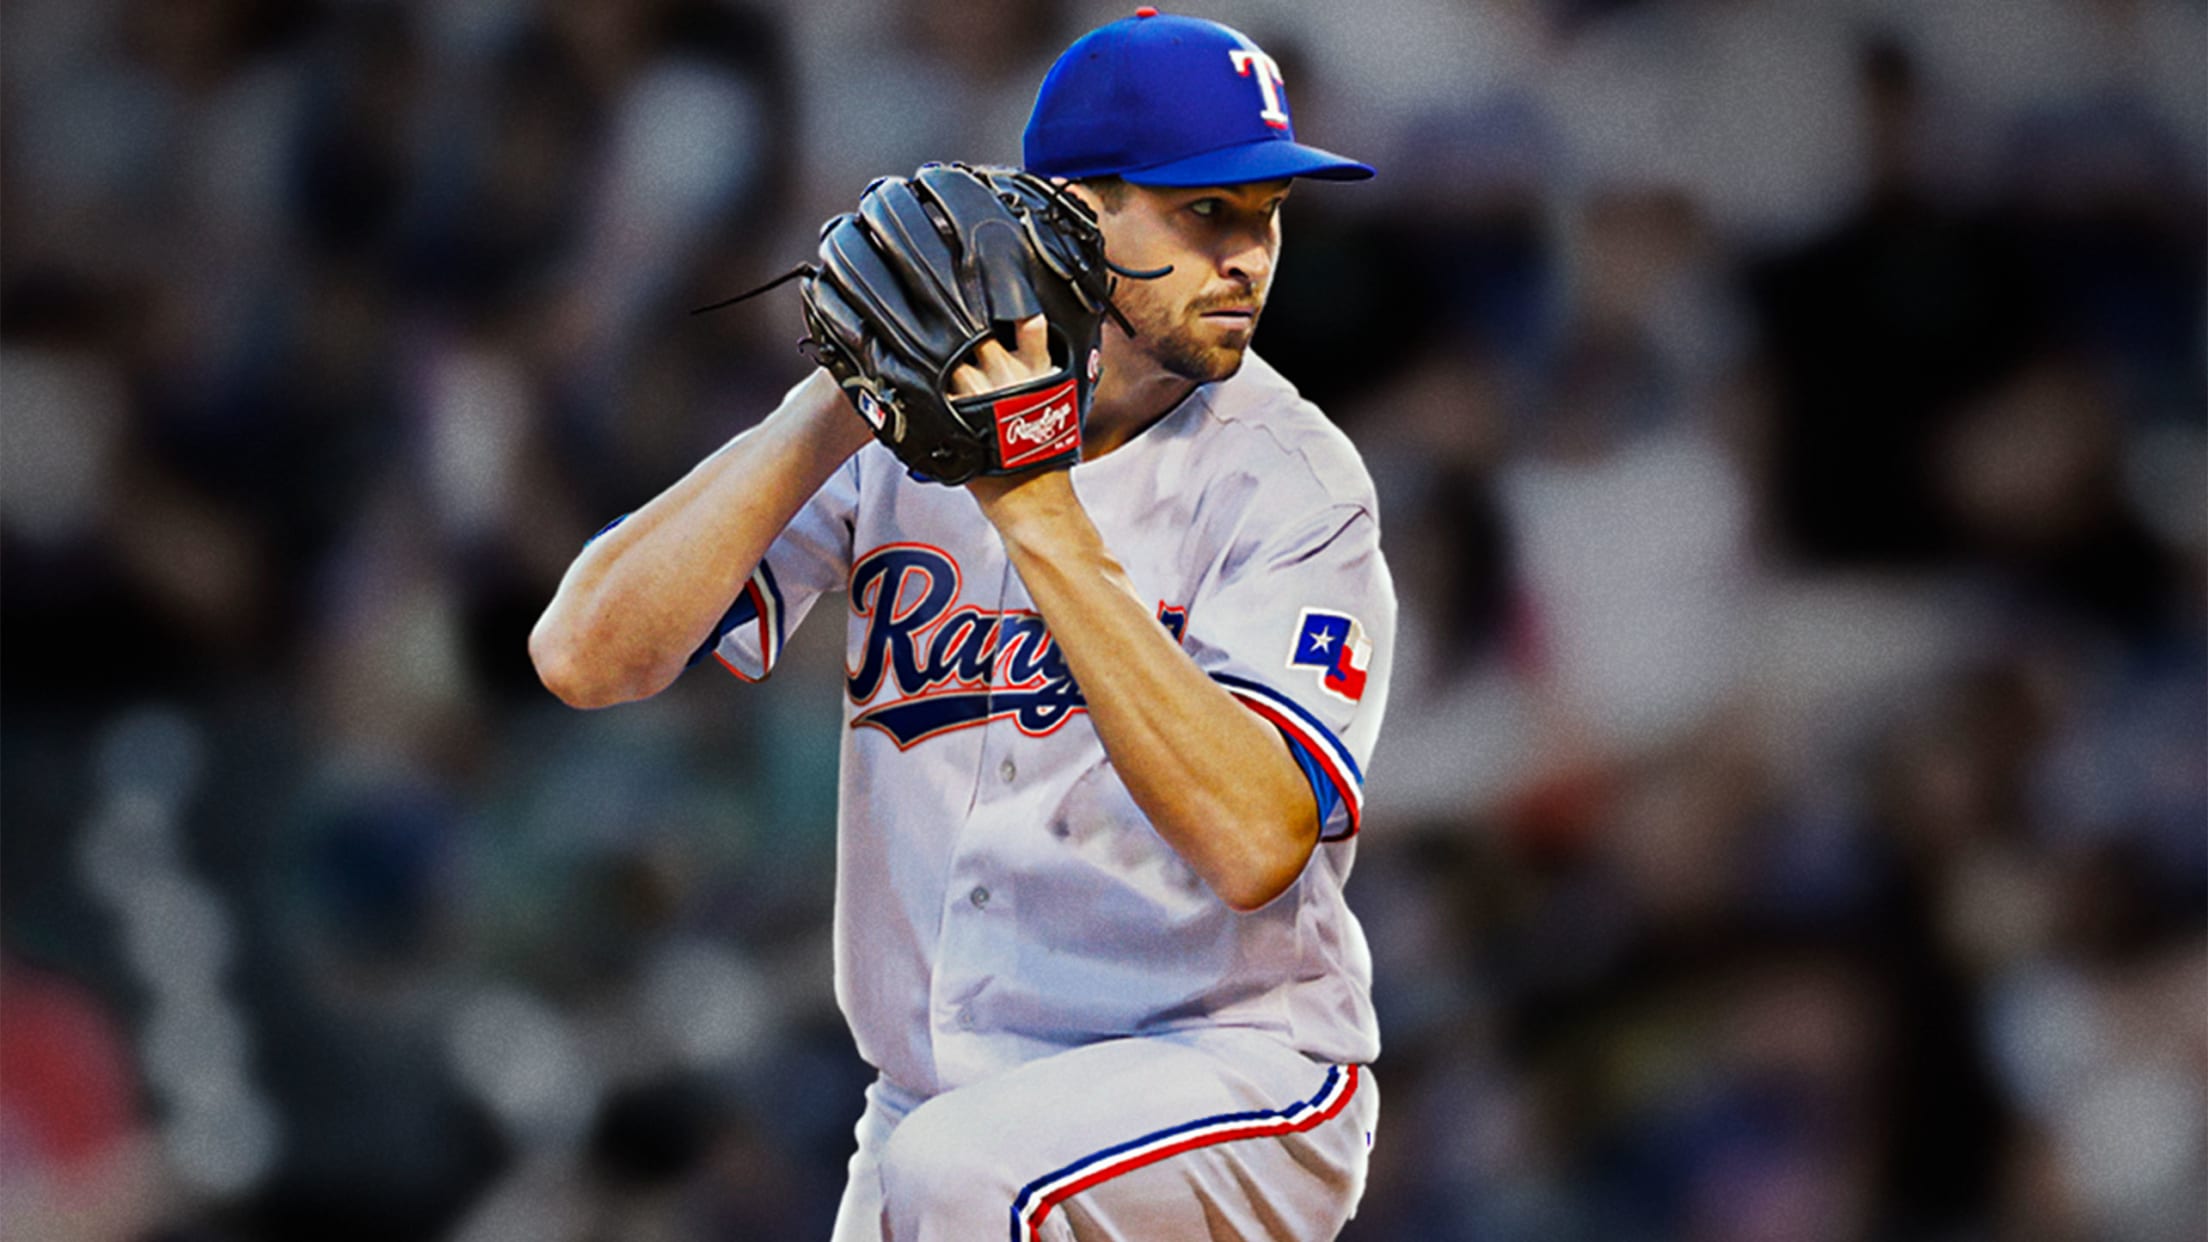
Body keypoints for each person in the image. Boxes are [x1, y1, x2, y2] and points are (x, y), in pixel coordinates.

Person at [531, 10, 1392, 1239]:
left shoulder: (1292, 482)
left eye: (1265, 214)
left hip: (1229, 1075)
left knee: (964, 1179)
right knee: (944, 1165)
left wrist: (1033, 504)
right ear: (1068, 213)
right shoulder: (907, 425)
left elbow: (1258, 842)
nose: (1248, 255)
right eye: (1204, 211)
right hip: (938, 1102)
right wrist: (836, 395)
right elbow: (585, 656)